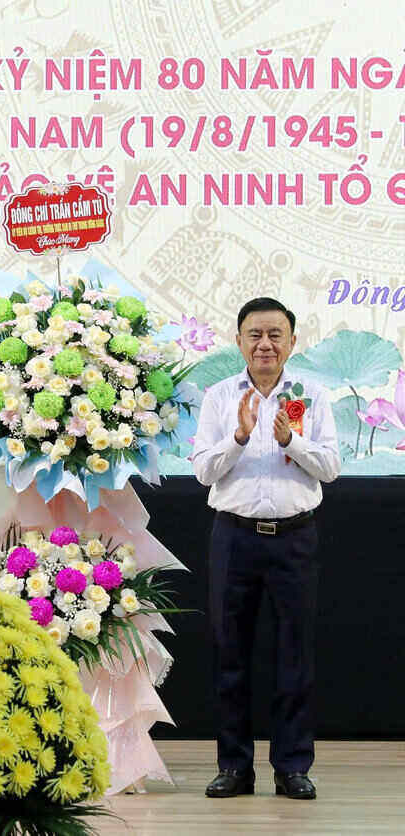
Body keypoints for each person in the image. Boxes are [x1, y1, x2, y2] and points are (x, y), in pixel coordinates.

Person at [191, 297, 340, 801]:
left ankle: (292, 767)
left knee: (294, 656)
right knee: (230, 654)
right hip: (234, 538)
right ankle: (234, 768)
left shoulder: (312, 395)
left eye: (276, 334)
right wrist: (239, 435)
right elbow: (203, 471)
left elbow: (330, 467)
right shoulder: (218, 397)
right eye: (255, 334)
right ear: (238, 341)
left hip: (294, 538)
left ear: (292, 342)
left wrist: (291, 441)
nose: (265, 344)